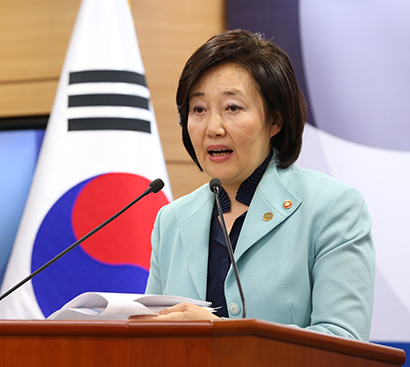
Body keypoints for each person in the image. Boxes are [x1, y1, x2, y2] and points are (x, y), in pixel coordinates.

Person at [142, 29, 374, 341]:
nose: (213, 128)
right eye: (198, 109)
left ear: (275, 120)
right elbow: (152, 336)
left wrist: (221, 333)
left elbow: (344, 342)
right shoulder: (171, 220)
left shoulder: (332, 208)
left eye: (232, 108)